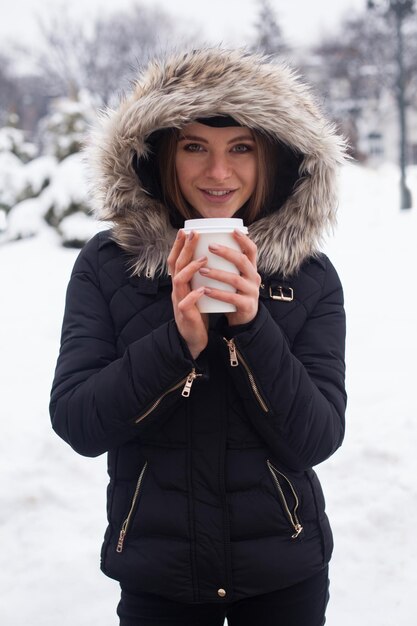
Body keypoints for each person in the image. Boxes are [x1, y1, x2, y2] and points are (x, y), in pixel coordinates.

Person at [50, 47, 347, 626]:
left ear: (275, 160)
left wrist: (251, 326)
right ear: (161, 153)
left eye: (242, 148)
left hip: (282, 575)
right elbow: (79, 422)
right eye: (195, 147)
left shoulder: (309, 277)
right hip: (160, 581)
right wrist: (176, 343)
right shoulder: (110, 266)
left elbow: (316, 438)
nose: (218, 173)